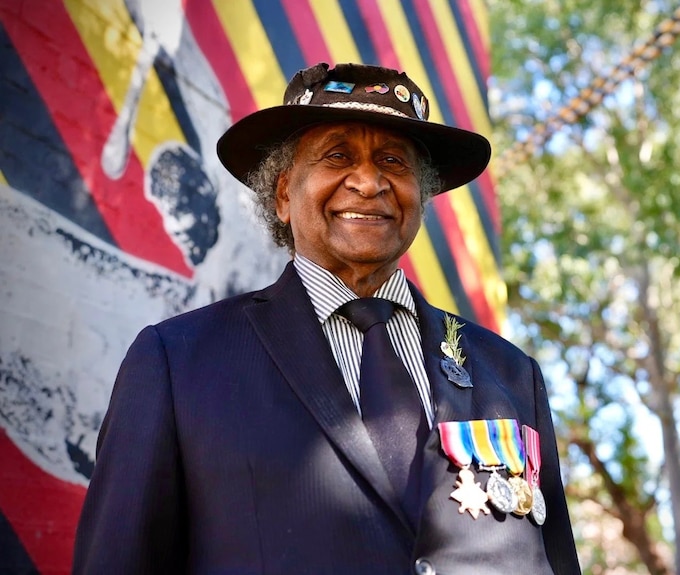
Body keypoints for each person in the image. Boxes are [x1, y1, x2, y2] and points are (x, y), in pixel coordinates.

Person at [72, 62, 580, 575]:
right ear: (284, 195)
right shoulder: (178, 361)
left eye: (393, 162)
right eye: (338, 156)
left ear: (420, 198)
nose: (368, 181)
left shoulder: (511, 376)